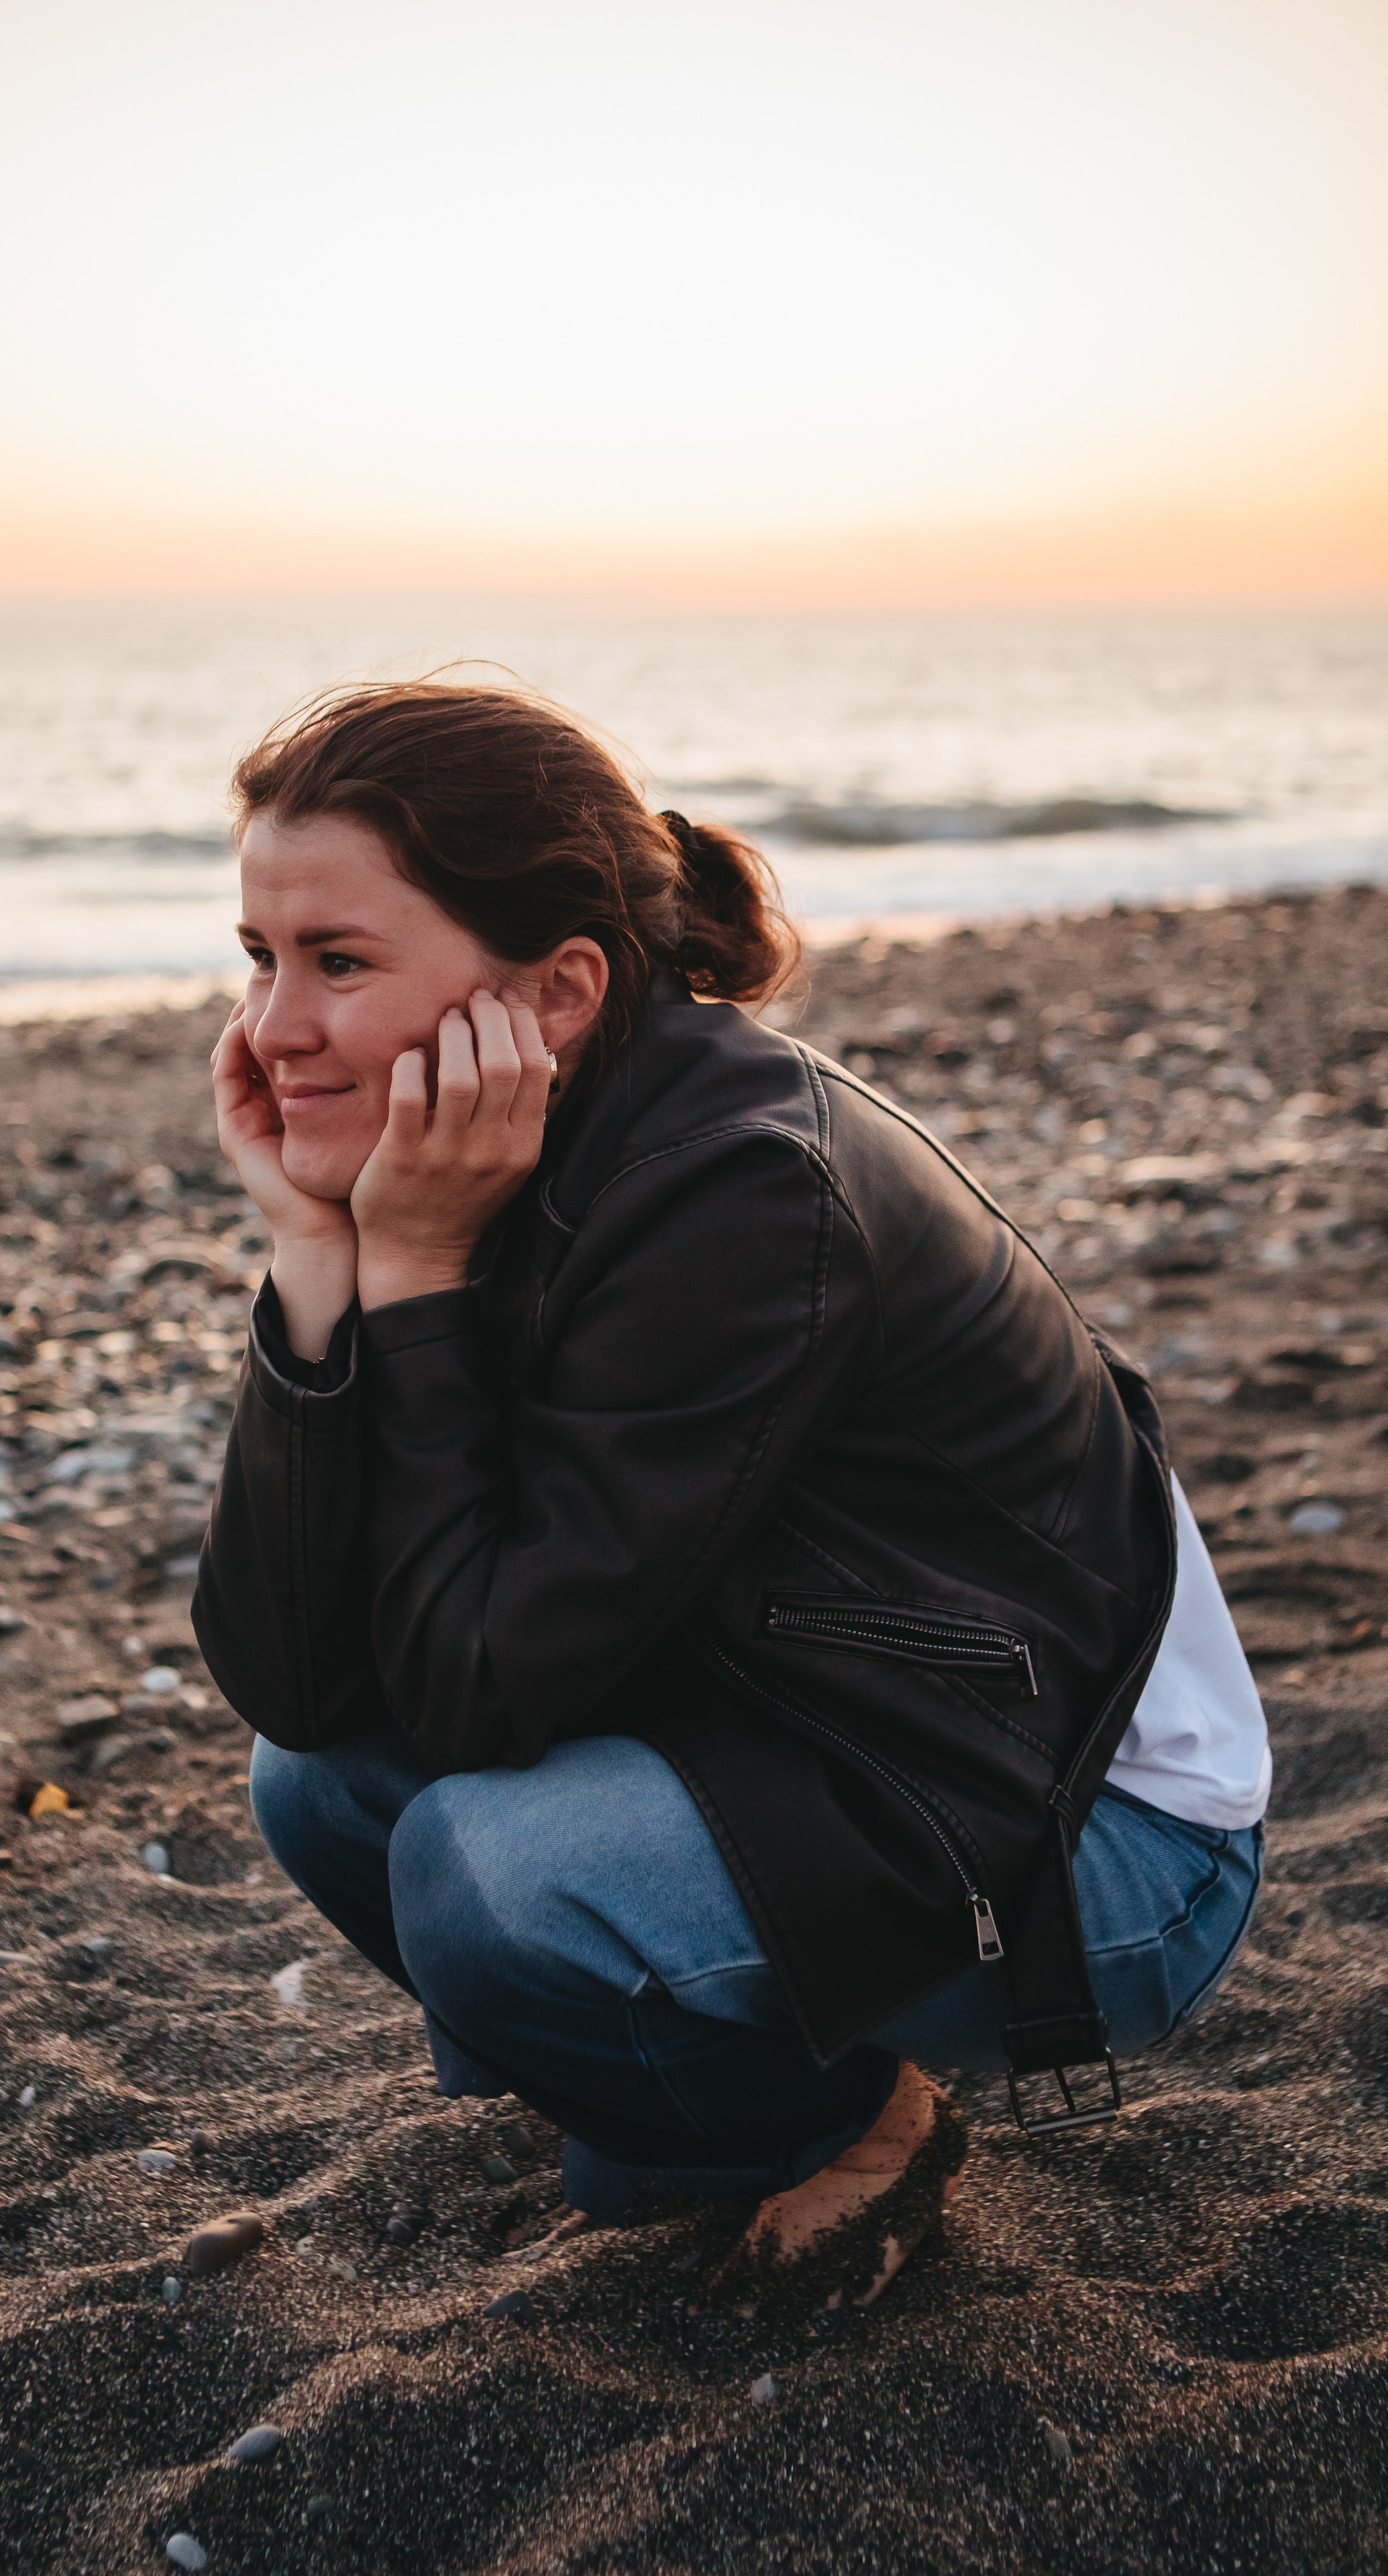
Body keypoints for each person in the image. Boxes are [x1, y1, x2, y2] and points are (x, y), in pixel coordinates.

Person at [193, 681, 1269, 2310]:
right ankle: (693, 2099)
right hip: (825, 1715)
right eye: (261, 958)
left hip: (1087, 1837)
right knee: (315, 1777)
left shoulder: (743, 1188)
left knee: (486, 1870)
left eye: (339, 962)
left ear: (554, 992)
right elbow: (295, 1676)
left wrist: (410, 1266)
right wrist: (318, 1262)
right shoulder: (497, 1154)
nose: (276, 1028)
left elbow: (475, 1687)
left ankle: (840, 2126)